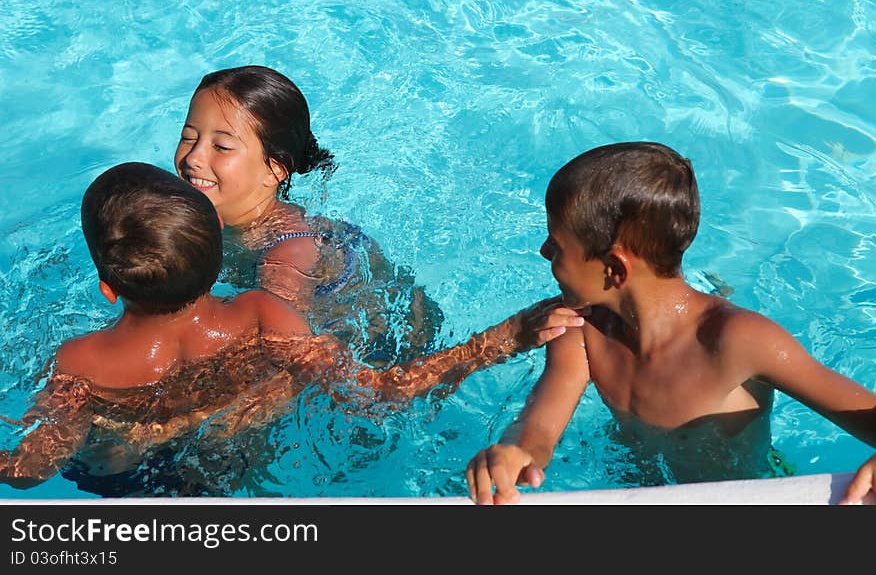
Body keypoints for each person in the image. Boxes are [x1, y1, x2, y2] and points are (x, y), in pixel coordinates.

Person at [0, 163, 579, 492]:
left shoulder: (79, 362)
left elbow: (31, 471)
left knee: (116, 457)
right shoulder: (259, 314)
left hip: (131, 486)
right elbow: (380, 394)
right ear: (217, 263)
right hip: (233, 456)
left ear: (107, 286)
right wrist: (500, 340)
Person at [465, 141, 876, 504]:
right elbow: (540, 426)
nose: (543, 251)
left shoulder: (738, 341)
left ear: (613, 270)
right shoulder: (581, 330)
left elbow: (869, 416)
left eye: (557, 244)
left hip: (748, 496)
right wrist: (514, 450)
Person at [174, 65, 442, 364]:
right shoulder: (208, 219)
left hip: (389, 348)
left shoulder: (286, 258)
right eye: (188, 137)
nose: (194, 157)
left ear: (275, 169)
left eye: (221, 146)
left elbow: (279, 365)